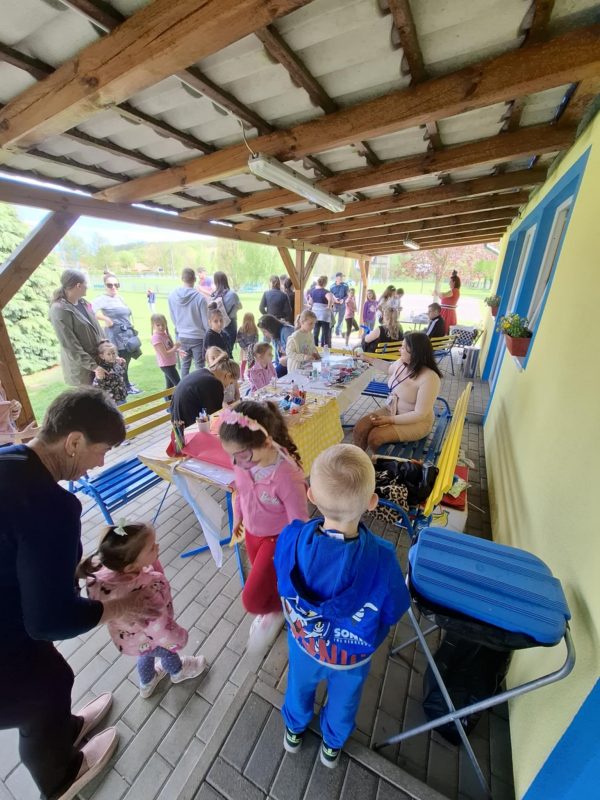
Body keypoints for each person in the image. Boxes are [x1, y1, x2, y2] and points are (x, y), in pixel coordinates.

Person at [0, 388, 161, 799]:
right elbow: (49, 620)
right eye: (101, 451)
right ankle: (61, 778)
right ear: (73, 441)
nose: (101, 463)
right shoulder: (51, 504)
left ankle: (67, 728)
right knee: (43, 690)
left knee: (52, 675)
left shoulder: (11, 459)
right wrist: (120, 605)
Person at [274, 444, 409, 767]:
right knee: (345, 702)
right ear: (372, 502)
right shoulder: (382, 558)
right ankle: (332, 746)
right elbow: (394, 609)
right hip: (351, 656)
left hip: (305, 644)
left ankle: (294, 730)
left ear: (311, 496)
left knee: (298, 686)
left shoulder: (291, 538)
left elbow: (279, 575)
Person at [80, 522, 207, 699]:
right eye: (152, 547)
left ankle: (147, 682)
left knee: (145, 652)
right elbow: (160, 629)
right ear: (130, 567)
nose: (158, 546)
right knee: (167, 651)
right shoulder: (145, 592)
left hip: (132, 638)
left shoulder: (101, 576)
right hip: (152, 634)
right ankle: (178, 672)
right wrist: (177, 637)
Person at [218, 401, 308, 650]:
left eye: (241, 455)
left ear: (267, 443)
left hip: (277, 540)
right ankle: (277, 603)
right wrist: (238, 516)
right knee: (268, 580)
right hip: (252, 533)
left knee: (252, 600)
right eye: (232, 456)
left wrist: (294, 555)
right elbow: (240, 490)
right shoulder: (244, 461)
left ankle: (278, 610)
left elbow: (299, 522)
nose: (236, 463)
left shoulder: (287, 476)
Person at [354, 332, 442, 451]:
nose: (399, 349)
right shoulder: (402, 362)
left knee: (375, 437)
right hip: (392, 410)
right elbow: (388, 368)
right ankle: (358, 458)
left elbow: (419, 414)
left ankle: (379, 461)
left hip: (417, 422)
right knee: (360, 428)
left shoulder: (430, 378)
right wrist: (366, 358)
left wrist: (389, 420)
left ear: (415, 353)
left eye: (403, 347)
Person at [49, 269, 104, 387]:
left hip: (99, 361)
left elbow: (97, 329)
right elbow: (70, 345)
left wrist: (108, 349)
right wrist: (93, 366)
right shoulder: (59, 309)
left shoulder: (83, 303)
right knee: (89, 398)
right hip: (82, 370)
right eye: (86, 284)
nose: (87, 287)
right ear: (78, 286)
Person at [91, 273, 141, 395]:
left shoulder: (120, 298)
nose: (113, 287)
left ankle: (126, 383)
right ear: (105, 286)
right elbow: (89, 310)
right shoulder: (102, 299)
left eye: (116, 284)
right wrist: (105, 318)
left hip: (127, 334)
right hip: (116, 335)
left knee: (127, 359)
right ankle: (126, 386)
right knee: (121, 360)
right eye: (110, 285)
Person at [171, 349, 240, 427]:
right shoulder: (214, 383)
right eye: (231, 382)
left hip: (178, 421)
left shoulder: (204, 372)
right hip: (188, 426)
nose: (228, 386)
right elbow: (215, 415)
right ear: (228, 375)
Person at [168, 268, 209, 377]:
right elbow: (206, 322)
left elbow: (173, 317)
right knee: (200, 366)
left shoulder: (172, 296)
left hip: (182, 336)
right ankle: (200, 386)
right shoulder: (200, 298)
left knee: (185, 366)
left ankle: (185, 386)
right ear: (194, 279)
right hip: (198, 337)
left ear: (182, 278)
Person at [0, 375, 38, 444]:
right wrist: (22, 435)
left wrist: (15, 409)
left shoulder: (1, 389)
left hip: (11, 441)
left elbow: (7, 419)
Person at [150, 314, 181, 393]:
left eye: (163, 324)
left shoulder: (165, 334)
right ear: (153, 325)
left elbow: (171, 348)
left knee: (170, 386)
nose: (161, 327)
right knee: (179, 385)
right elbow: (165, 354)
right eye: (158, 325)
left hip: (171, 363)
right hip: (166, 365)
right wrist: (175, 347)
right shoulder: (156, 338)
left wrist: (178, 350)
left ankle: (168, 399)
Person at [212, 271, 242, 348]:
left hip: (216, 324)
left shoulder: (213, 296)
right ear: (226, 280)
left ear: (215, 282)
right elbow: (240, 306)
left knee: (219, 349)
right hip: (230, 323)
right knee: (229, 349)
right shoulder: (233, 294)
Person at [93, 340, 127, 405]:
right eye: (108, 354)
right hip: (111, 400)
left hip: (122, 395)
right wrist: (99, 379)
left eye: (113, 353)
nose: (112, 356)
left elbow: (122, 373)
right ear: (102, 356)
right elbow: (97, 387)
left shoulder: (118, 364)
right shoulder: (102, 370)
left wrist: (123, 363)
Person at [307, 275, 334, 347]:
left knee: (315, 332)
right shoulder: (326, 292)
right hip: (324, 315)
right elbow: (330, 299)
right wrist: (328, 306)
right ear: (325, 283)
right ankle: (324, 347)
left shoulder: (313, 292)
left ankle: (315, 347)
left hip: (315, 314)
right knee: (325, 333)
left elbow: (310, 302)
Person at [237, 312, 259, 380]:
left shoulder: (254, 328)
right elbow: (239, 339)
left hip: (252, 349)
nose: (249, 322)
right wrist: (244, 347)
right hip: (244, 349)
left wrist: (252, 346)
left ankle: (250, 375)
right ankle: (242, 376)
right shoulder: (241, 329)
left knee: (251, 362)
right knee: (244, 362)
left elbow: (256, 338)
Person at [329, 272, 349, 337]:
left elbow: (347, 295)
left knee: (340, 320)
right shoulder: (332, 286)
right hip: (334, 306)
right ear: (337, 278)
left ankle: (337, 332)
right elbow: (330, 295)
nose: (342, 278)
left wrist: (343, 300)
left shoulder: (345, 286)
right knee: (332, 319)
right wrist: (335, 300)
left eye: (342, 277)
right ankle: (330, 331)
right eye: (340, 277)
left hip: (342, 306)